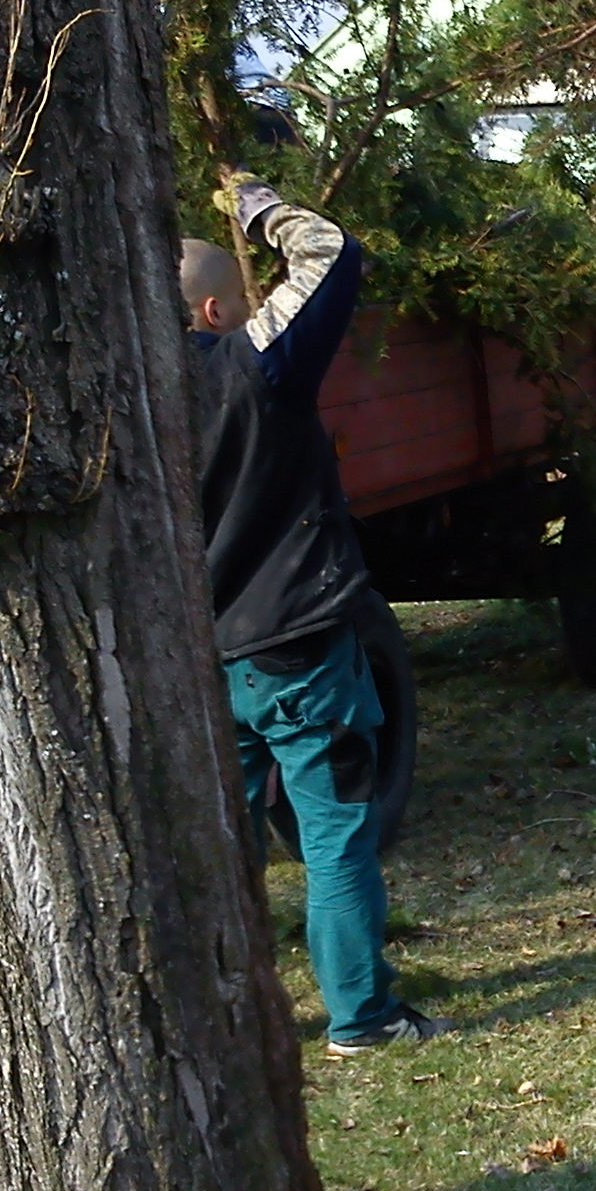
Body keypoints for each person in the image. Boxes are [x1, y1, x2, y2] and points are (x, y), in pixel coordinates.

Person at [180, 174, 448, 1056]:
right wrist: (253, 198)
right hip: (295, 640)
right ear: (215, 309)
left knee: (225, 845)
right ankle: (362, 1014)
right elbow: (330, 252)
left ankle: (236, 1016)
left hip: (199, 655)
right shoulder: (251, 368)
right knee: (334, 832)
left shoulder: (117, 402)